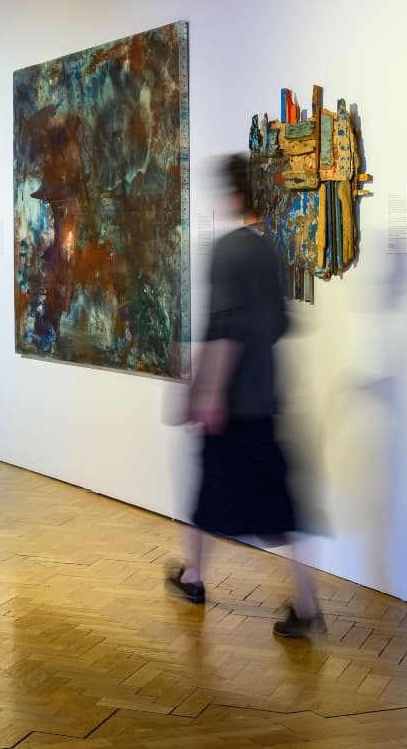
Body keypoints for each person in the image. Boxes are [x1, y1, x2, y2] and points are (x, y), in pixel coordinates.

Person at [165, 153, 323, 638]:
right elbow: (279, 323)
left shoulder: (228, 251)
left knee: (208, 495)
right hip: (266, 397)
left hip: (232, 404)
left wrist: (207, 394)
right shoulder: (270, 250)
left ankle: (193, 578)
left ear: (230, 194)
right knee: (279, 508)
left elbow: (224, 330)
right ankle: (307, 606)